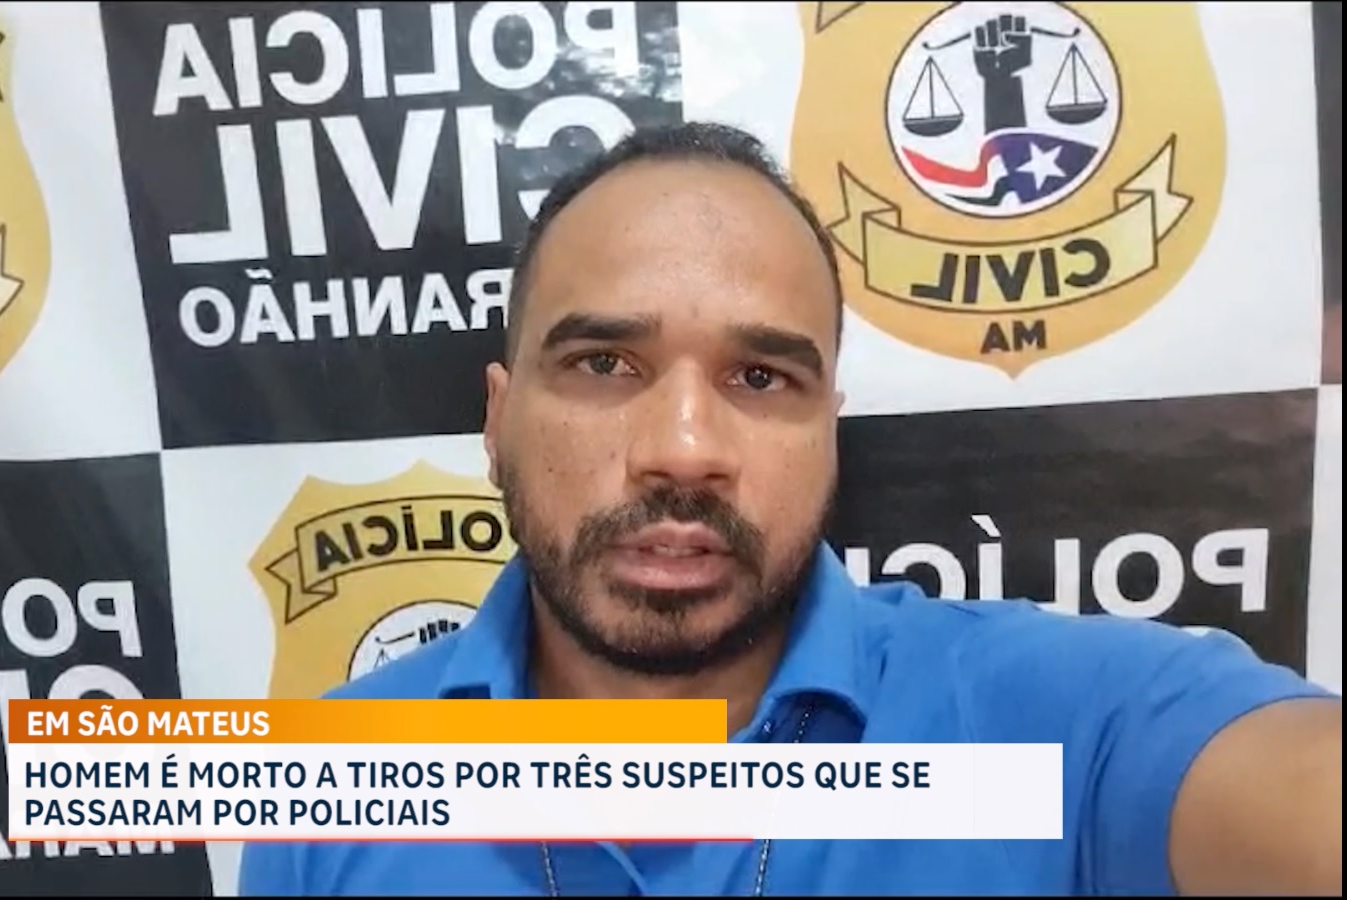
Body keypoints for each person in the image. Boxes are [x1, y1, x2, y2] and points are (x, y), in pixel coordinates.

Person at [239, 122, 1343, 896]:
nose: (682, 451)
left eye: (761, 378)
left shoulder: (1062, 726)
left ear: (830, 428)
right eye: (604, 364)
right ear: (498, 418)